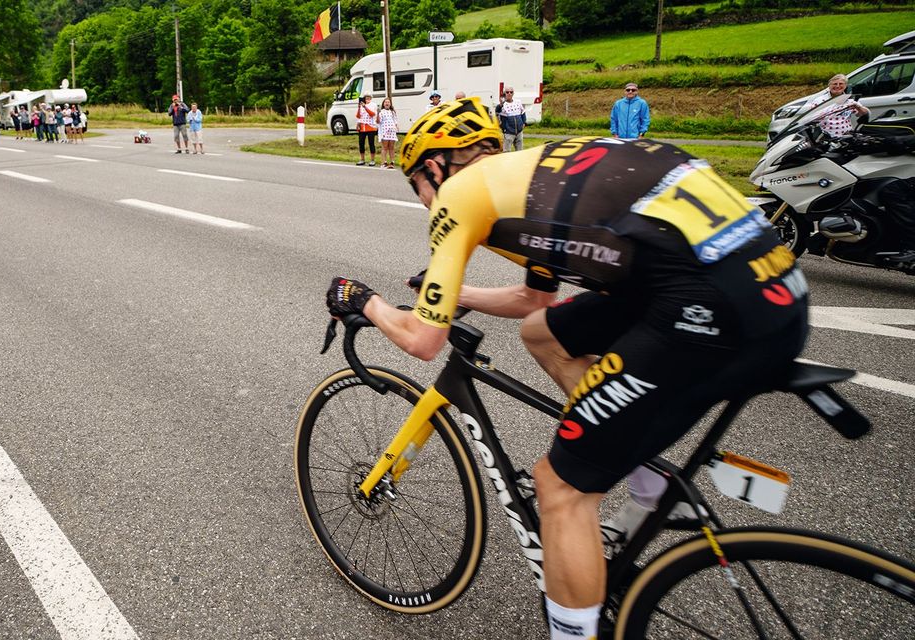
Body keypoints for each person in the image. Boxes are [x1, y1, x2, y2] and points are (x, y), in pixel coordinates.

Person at [326, 98, 808, 640]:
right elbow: (536, 300)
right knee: (544, 333)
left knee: (558, 487)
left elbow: (423, 341)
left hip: (706, 306)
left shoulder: (459, 194)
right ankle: (643, 475)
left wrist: (364, 301)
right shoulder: (536, 175)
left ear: (435, 167)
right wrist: (453, 292)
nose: (421, 198)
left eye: (415, 182)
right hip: (769, 288)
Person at [804, 73, 871, 139]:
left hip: (846, 136)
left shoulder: (850, 99)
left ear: (845, 86)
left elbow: (864, 114)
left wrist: (857, 106)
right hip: (826, 137)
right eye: (835, 84)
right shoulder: (819, 101)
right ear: (829, 86)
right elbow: (810, 120)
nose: (838, 86)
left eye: (841, 84)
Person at [496, 85, 527, 152]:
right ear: (505, 94)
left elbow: (523, 112)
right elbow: (497, 111)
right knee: (506, 152)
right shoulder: (503, 105)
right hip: (508, 132)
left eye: (511, 92)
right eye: (507, 92)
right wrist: (501, 104)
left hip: (519, 132)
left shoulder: (518, 102)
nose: (509, 93)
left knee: (520, 151)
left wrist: (524, 122)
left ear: (513, 93)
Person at [355, 94, 377, 167]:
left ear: (371, 98)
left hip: (370, 126)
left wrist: (365, 107)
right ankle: (362, 159)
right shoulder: (361, 105)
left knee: (371, 143)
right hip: (362, 127)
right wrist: (359, 107)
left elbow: (372, 114)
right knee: (361, 143)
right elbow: (358, 116)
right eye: (365, 98)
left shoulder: (373, 105)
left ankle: (372, 160)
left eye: (368, 98)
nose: (367, 99)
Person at [377, 97, 398, 169]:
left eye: (388, 102)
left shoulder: (393, 112)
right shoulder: (381, 112)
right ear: (383, 104)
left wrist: (396, 127)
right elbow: (378, 121)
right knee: (385, 147)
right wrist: (377, 113)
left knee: (391, 147)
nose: (387, 103)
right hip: (385, 131)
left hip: (392, 131)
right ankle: (383, 162)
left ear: (390, 104)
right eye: (385, 102)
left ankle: (392, 162)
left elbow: (395, 120)